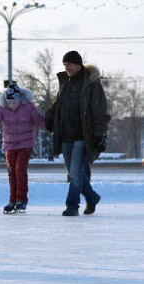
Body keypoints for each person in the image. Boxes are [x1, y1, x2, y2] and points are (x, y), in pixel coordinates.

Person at [45, 50, 111, 216]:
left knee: (75, 172)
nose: (66, 67)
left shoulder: (91, 84)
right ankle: (92, 196)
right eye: (65, 64)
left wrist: (100, 133)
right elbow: (57, 104)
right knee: (74, 171)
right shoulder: (65, 83)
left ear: (78, 64)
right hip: (66, 135)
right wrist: (50, 116)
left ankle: (72, 206)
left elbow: (100, 111)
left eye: (69, 64)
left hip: (83, 135)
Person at [0, 83, 45, 213]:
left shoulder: (29, 107)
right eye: (9, 102)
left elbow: (39, 120)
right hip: (10, 144)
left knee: (19, 169)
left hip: (25, 143)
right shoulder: (2, 109)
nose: (11, 105)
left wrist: (52, 126)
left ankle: (22, 200)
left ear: (20, 99)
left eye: (14, 102)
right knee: (11, 172)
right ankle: (12, 201)